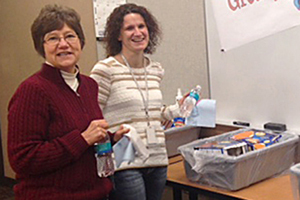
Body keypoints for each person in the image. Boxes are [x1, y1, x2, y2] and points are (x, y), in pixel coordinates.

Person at [7, 4, 128, 200]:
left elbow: (83, 138)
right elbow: (23, 159)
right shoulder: (32, 90)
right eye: (53, 38)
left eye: (70, 36)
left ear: (80, 42)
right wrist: (82, 139)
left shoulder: (88, 85)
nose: (63, 44)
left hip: (96, 193)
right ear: (41, 47)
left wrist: (109, 139)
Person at [90, 3, 182, 200]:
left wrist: (175, 110)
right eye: (129, 28)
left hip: (157, 158)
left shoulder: (155, 69)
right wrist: (111, 137)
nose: (138, 32)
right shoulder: (106, 69)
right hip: (125, 160)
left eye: (141, 26)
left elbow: (152, 112)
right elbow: (92, 115)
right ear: (118, 35)